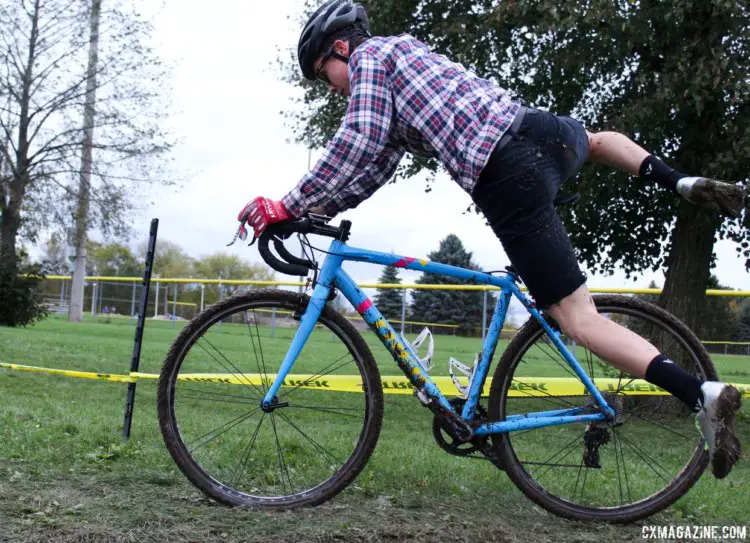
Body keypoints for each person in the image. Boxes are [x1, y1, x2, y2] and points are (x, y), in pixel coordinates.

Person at [236, 0, 743, 478]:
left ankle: (700, 394)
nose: (331, 89)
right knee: (593, 139)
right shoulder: (407, 55)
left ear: (341, 49)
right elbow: (372, 166)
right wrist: (314, 208)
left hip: (507, 172)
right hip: (543, 134)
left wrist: (287, 203)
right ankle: (679, 179)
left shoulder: (369, 60)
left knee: (578, 319)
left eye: (324, 74)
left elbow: (356, 141)